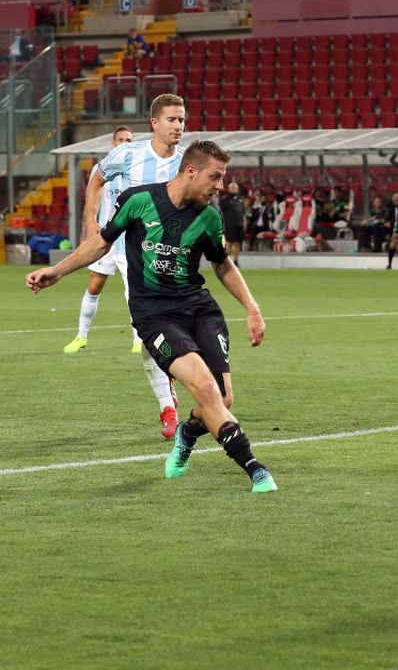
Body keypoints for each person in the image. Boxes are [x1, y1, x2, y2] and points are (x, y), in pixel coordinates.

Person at [26, 140, 278, 494]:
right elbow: (101, 243)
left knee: (221, 399)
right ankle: (255, 468)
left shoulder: (208, 216)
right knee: (205, 389)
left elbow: (222, 263)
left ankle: (187, 434)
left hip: (199, 308)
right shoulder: (138, 200)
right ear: (191, 171)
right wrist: (58, 270)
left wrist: (253, 308)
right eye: (215, 177)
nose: (220, 186)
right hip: (155, 315)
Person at [70, 95, 188, 438]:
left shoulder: (187, 163)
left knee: (178, 336)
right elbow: (96, 177)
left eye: (182, 120)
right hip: (127, 255)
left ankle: (179, 386)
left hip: (170, 262)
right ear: (154, 123)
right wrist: (91, 222)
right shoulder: (128, 154)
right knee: (151, 334)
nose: (178, 126)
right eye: (172, 120)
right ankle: (167, 405)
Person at [63, 126, 135, 353]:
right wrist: (89, 227)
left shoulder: (138, 168)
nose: (125, 142)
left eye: (129, 139)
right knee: (94, 285)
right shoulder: (100, 169)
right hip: (105, 238)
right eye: (121, 139)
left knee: (133, 290)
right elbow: (93, 201)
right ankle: (81, 336)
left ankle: (139, 339)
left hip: (129, 239)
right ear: (113, 144)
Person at [219, 180, 246, 265]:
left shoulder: (241, 199)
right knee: (229, 243)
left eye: (235, 188)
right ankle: (227, 261)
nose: (234, 189)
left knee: (237, 243)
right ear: (229, 189)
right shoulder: (224, 199)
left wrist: (244, 221)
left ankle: (236, 260)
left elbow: (243, 212)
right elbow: (221, 212)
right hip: (229, 224)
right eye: (232, 188)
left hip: (239, 224)